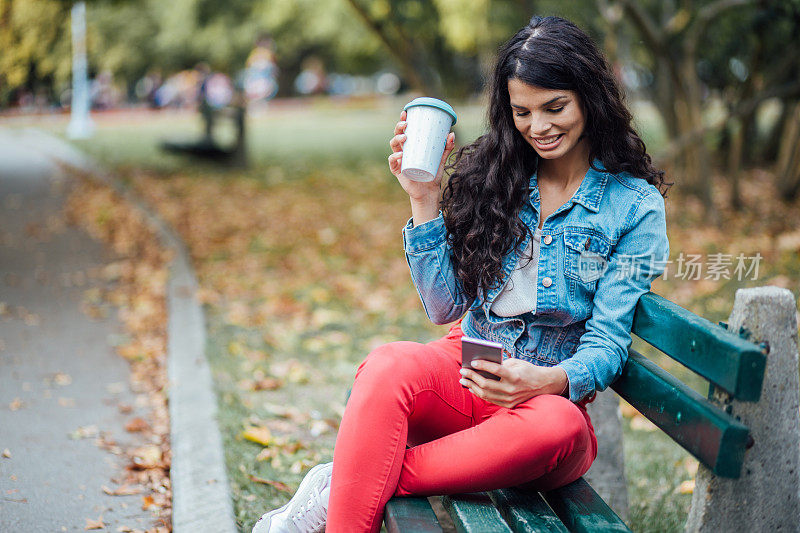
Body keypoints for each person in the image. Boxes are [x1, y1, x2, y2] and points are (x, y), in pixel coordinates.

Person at [252, 15, 670, 533]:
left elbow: (607, 343)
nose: (538, 127)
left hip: (539, 411)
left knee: (560, 424)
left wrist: (546, 381)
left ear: (589, 97)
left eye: (554, 107)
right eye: (523, 112)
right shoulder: (500, 178)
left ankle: (344, 482)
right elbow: (444, 308)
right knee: (385, 366)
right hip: (467, 368)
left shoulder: (634, 208)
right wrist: (422, 198)